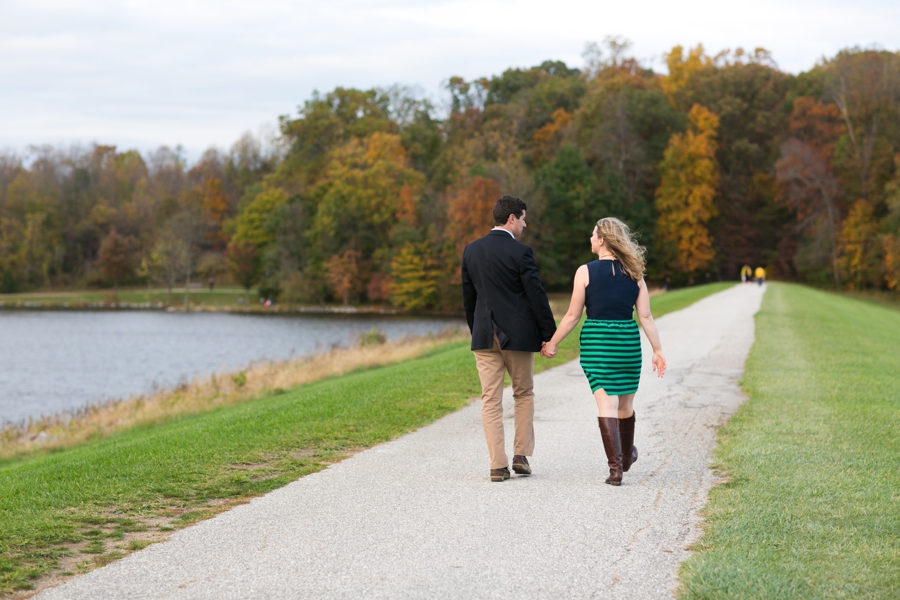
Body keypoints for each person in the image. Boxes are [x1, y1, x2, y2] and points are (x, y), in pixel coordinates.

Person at [542, 218, 666, 486]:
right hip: (627, 342)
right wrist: (657, 350)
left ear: (602, 240)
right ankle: (625, 456)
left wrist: (552, 343)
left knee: (606, 404)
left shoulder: (584, 272)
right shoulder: (635, 273)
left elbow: (573, 315)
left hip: (598, 342)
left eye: (592, 235)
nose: (590, 239)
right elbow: (645, 316)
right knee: (626, 405)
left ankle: (616, 470)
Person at [462, 195, 557, 482]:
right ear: (512, 218)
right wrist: (548, 335)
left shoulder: (471, 250)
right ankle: (520, 455)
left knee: (490, 399)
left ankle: (497, 466)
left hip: (483, 336)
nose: (525, 225)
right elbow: (536, 296)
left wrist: (477, 330)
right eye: (524, 218)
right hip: (517, 336)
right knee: (523, 393)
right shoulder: (521, 252)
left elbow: (469, 299)